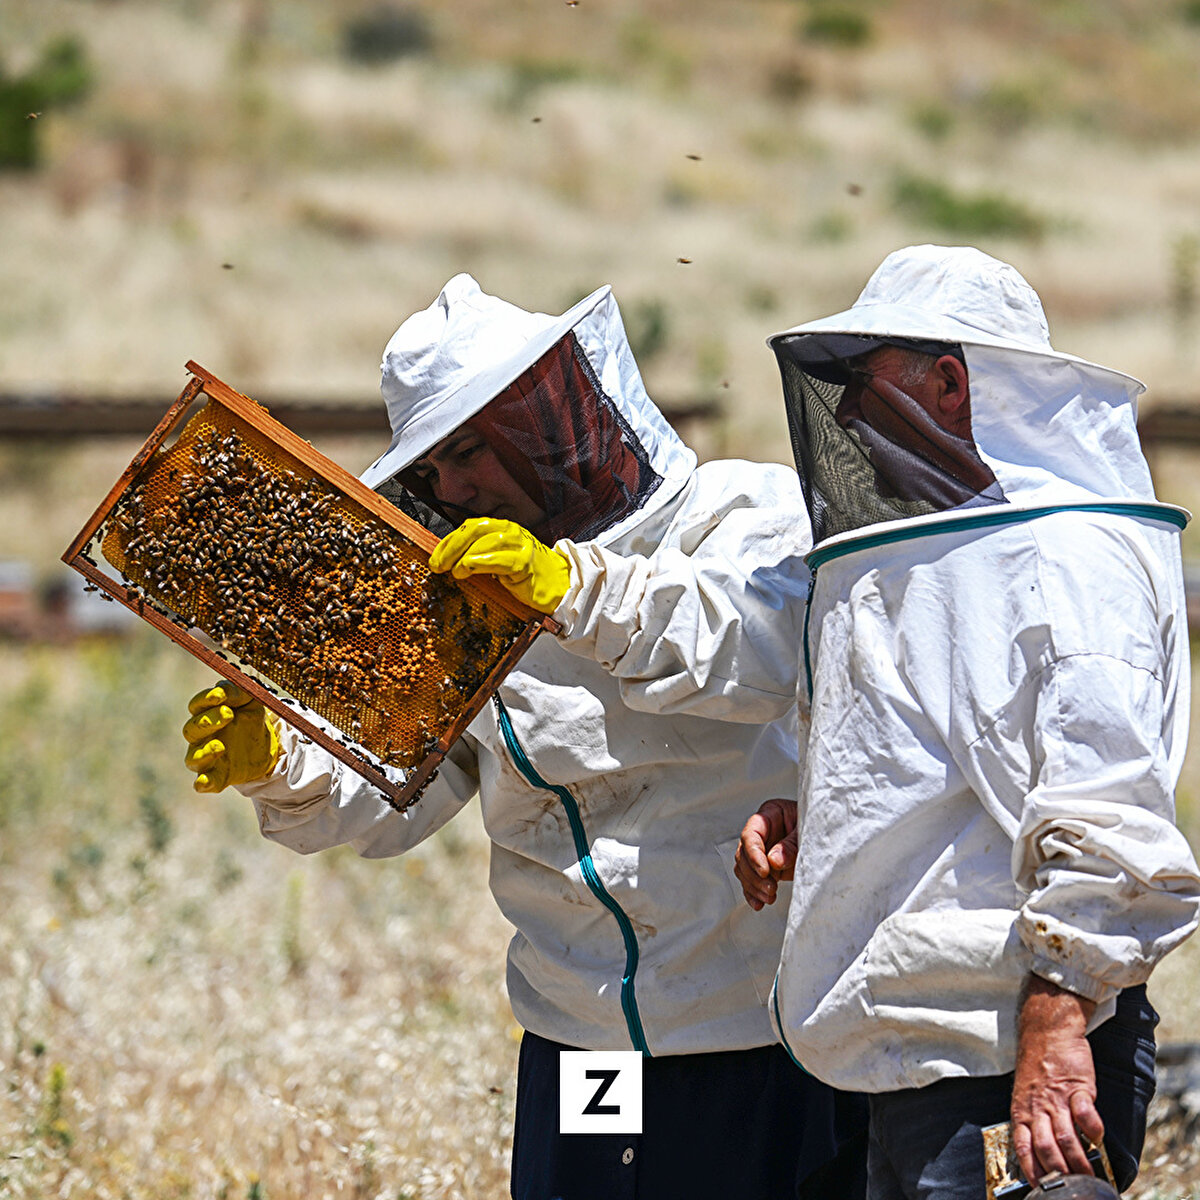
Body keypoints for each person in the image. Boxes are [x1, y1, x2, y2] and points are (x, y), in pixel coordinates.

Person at [182, 274, 867, 1199]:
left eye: (469, 451)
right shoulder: (474, 589)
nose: (454, 488)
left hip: (758, 1033)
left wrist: (569, 591)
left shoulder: (738, 514)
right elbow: (401, 790)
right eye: (431, 474)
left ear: (550, 417)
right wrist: (286, 770)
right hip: (585, 1038)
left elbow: (762, 648)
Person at [734, 244, 1200, 1199]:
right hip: (917, 1052)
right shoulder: (949, 553)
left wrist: (1056, 1024)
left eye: (866, 383)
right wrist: (817, 818)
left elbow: (1108, 815)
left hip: (1014, 1056)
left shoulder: (1066, 557)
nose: (850, 414)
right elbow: (953, 766)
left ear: (951, 383)